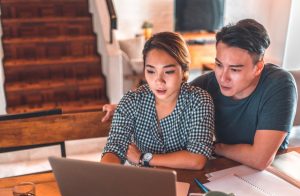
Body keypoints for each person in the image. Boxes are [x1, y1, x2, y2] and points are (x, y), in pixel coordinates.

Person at [102, 19, 298, 171]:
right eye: (219, 64)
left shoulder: (279, 84)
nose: (223, 77)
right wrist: (123, 108)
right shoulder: (208, 83)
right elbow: (171, 94)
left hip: (271, 173)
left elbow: (260, 159)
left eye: (235, 69)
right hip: (224, 169)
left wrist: (215, 148)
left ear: (258, 67)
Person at [101, 32, 214, 170]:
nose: (158, 81)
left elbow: (197, 159)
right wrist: (104, 176)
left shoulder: (199, 101)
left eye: (168, 71)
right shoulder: (132, 101)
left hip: (188, 181)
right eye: (151, 71)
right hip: (146, 182)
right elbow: (114, 147)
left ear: (184, 70)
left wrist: (143, 158)